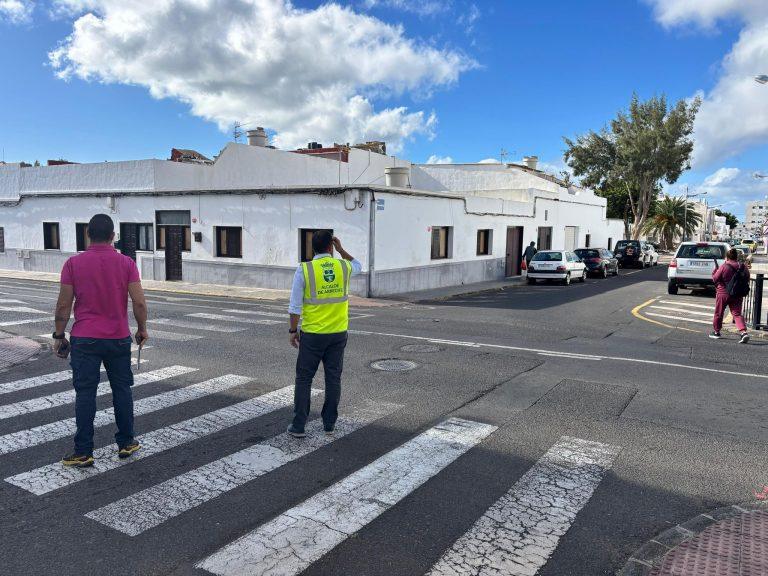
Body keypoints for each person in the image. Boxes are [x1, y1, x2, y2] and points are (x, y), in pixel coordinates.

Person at [52, 214, 149, 467]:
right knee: (122, 390)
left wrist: (59, 335)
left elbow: (64, 305)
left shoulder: (73, 264)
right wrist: (142, 329)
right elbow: (138, 301)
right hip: (117, 338)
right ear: (113, 236)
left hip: (85, 339)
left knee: (85, 393)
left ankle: (83, 451)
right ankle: (127, 442)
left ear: (87, 234)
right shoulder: (126, 263)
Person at [287, 230, 362, 437]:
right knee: (333, 378)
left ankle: (299, 425)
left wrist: (293, 331)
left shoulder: (305, 269)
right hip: (338, 333)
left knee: (304, 378)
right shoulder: (343, 266)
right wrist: (342, 250)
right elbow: (358, 265)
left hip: (313, 334)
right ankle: (329, 424)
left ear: (313, 248)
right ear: (331, 247)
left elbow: (295, 307)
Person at [710, 247, 750, 344]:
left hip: (723, 293)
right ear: (737, 257)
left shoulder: (724, 266)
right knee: (736, 314)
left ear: (727, 257)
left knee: (719, 313)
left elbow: (715, 279)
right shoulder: (743, 266)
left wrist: (714, 271)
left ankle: (717, 332)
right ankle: (743, 332)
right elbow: (747, 278)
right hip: (737, 294)